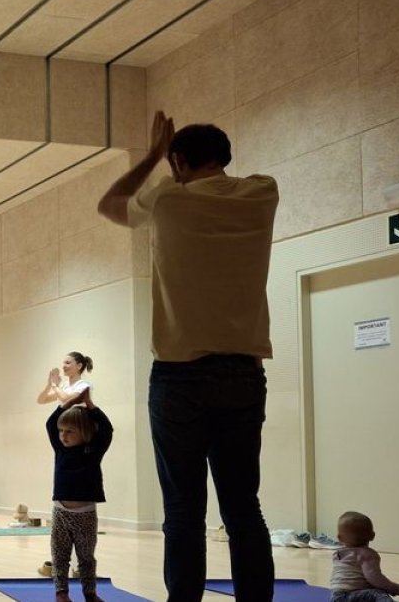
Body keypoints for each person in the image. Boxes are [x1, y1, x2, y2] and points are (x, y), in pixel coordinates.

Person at [99, 111, 279, 602]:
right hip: (244, 373)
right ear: (225, 157)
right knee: (243, 507)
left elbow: (109, 204)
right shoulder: (264, 191)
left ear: (178, 161)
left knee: (183, 509)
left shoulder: (167, 197)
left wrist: (152, 156)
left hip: (179, 378)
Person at [46, 393, 114, 602]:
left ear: (84, 433)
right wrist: (69, 403)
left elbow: (107, 430)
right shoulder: (60, 450)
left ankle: (90, 592)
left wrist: (91, 406)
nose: (63, 436)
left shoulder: (93, 450)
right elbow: (50, 424)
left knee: (86, 557)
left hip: (85, 515)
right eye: (61, 431)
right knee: (60, 555)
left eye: (70, 431)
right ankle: (61, 592)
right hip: (61, 512)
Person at [330, 512, 399, 602]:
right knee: (377, 593)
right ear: (372, 535)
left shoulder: (338, 554)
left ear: (340, 538)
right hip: (350, 596)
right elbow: (376, 579)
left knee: (368, 593)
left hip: (336, 597)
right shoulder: (367, 554)